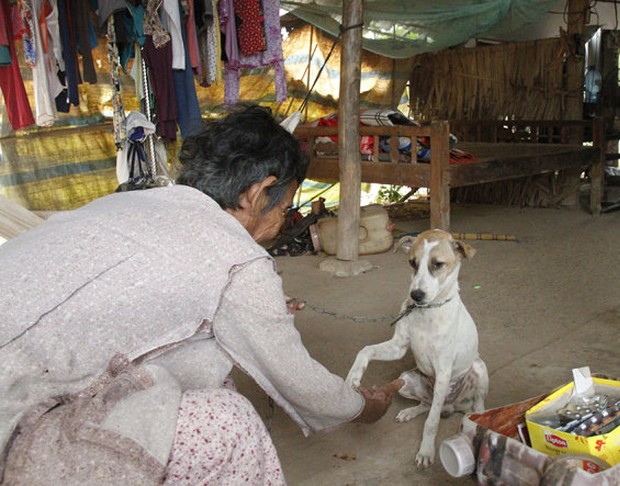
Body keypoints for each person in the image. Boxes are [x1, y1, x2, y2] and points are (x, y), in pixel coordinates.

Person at [0, 105, 398, 484]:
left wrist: (249, 312)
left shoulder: (133, 201)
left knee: (204, 364)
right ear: (258, 194)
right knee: (227, 424)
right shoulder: (238, 260)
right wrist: (363, 406)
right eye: (285, 206)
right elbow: (299, 381)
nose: (283, 220)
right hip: (13, 419)